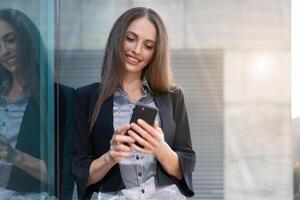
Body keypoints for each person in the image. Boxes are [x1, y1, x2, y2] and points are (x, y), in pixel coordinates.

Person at [73, 7, 195, 200]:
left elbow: (186, 164)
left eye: (148, 46)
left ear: (156, 52)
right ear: (118, 38)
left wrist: (160, 148)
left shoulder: (172, 97)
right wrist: (110, 156)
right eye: (131, 38)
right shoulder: (86, 97)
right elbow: (81, 173)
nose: (137, 51)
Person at [0, 8, 74, 199]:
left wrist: (13, 155)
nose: (4, 51)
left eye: (10, 40)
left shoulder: (58, 98)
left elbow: (60, 174)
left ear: (26, 39)